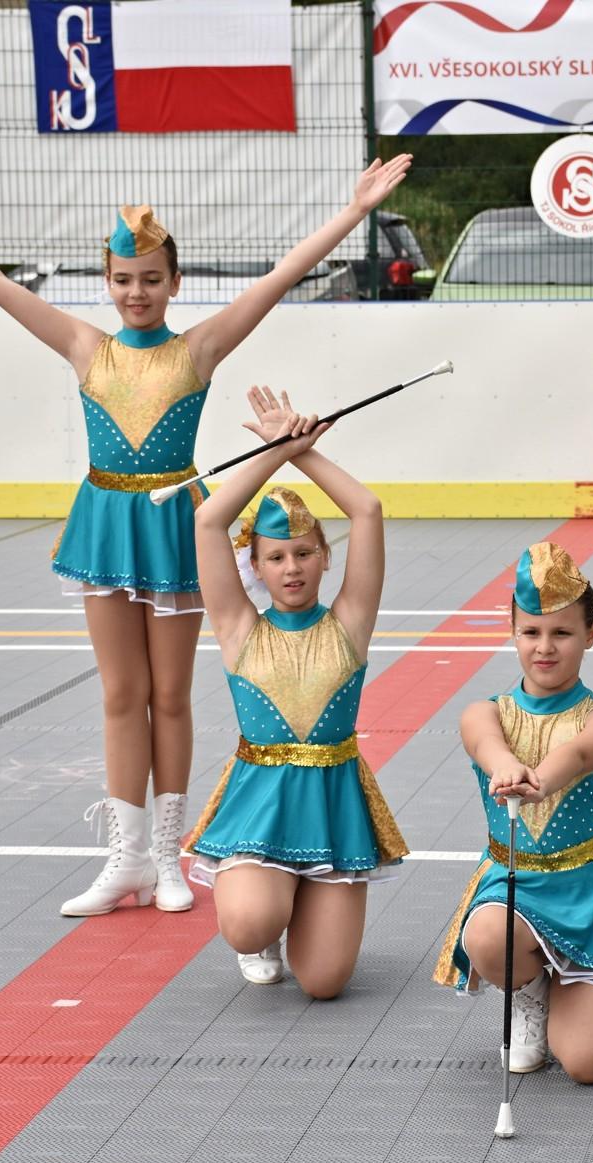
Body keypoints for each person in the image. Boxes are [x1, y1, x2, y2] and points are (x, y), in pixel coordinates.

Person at [0, 158, 410, 916]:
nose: (137, 292)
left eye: (152, 279)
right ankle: (125, 859)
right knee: (122, 694)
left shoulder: (198, 350)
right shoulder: (86, 347)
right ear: (107, 282)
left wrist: (354, 212)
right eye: (123, 280)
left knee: (170, 695)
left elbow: (282, 276)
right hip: (105, 526)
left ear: (175, 283)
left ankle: (167, 856)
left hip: (174, 525)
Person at [184, 387, 406, 996]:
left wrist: (302, 449)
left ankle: (300, 898)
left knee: (325, 983)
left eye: (305, 553)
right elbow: (208, 519)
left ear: (325, 557)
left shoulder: (350, 623)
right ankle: (266, 924)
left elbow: (367, 509)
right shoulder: (239, 628)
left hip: (333, 806)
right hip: (261, 804)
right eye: (276, 557)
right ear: (255, 566)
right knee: (248, 923)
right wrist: (275, 451)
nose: (292, 568)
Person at [433, 543, 593, 1084]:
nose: (544, 647)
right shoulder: (484, 712)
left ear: (592, 635)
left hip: (592, 895)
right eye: (531, 632)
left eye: (562, 633)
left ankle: (581, 987)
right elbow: (486, 743)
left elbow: (582, 753)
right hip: (516, 886)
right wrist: (505, 767)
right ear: (512, 632)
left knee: (588, 1065)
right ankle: (530, 992)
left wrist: (538, 780)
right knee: (487, 935)